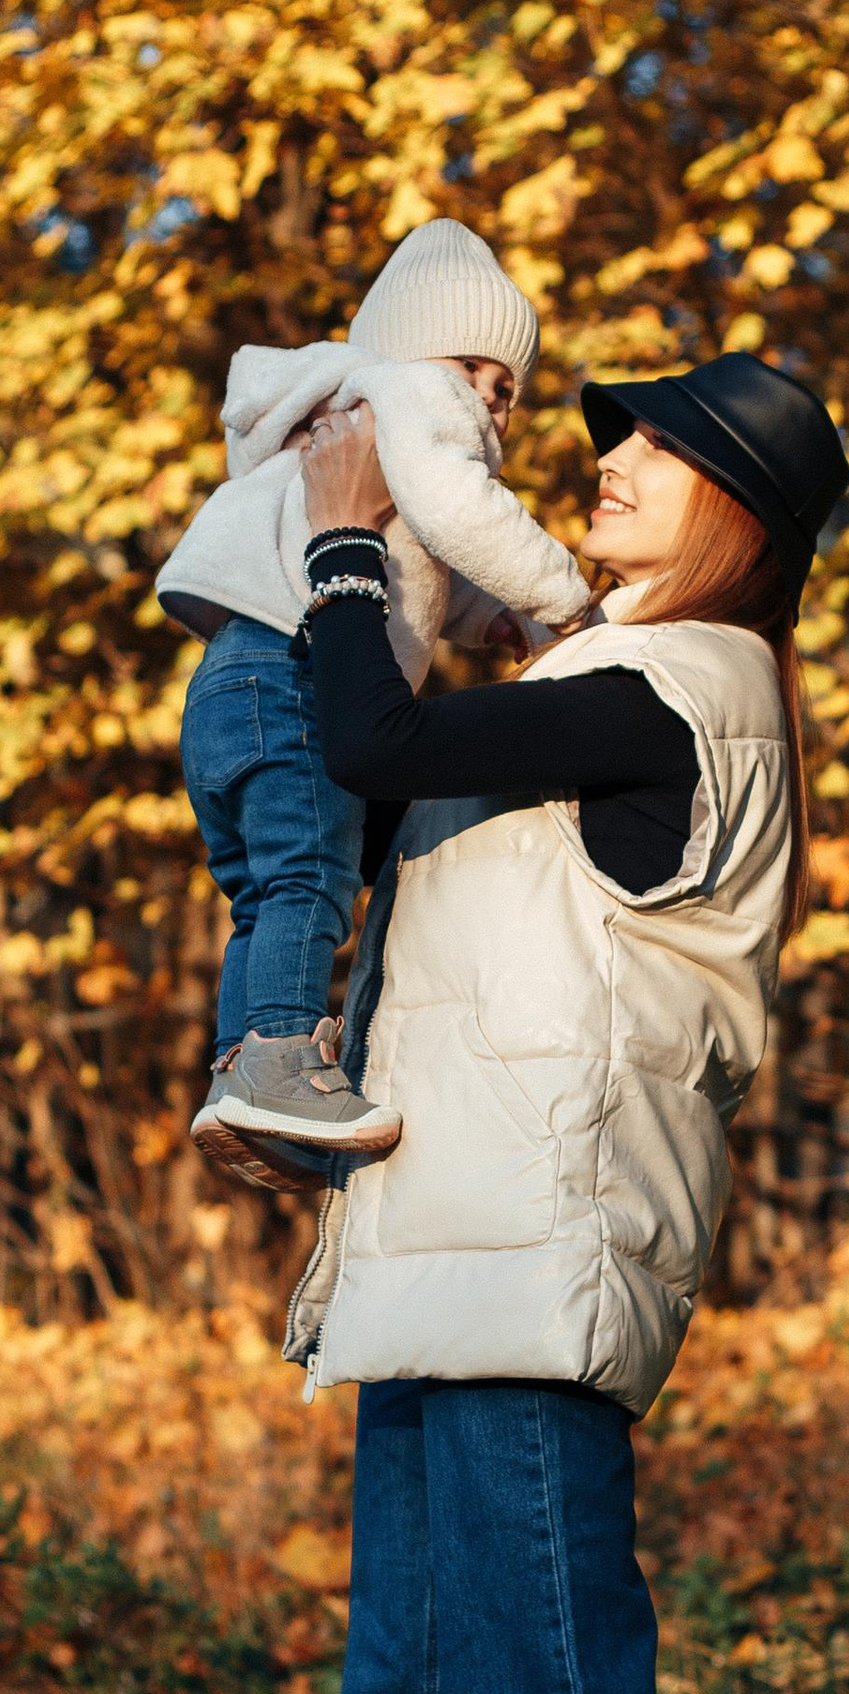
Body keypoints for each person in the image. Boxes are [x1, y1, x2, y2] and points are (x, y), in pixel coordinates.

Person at [266, 351, 849, 1694]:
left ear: (751, 520)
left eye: (663, 448)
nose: (609, 461)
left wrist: (351, 534)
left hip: (537, 1273)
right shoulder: (596, 680)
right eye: (607, 436)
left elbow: (367, 741)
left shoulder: (691, 690)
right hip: (438, 1259)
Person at [155, 218, 592, 1169]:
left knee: (264, 892)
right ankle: (279, 1058)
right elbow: (457, 514)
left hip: (229, 684)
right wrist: (561, 597)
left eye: (505, 389)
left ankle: (244, 1075)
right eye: (475, 370)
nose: (486, 401)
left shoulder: (341, 409)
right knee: (313, 877)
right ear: (413, 349)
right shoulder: (411, 395)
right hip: (293, 676)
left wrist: (489, 626)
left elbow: (427, 563)